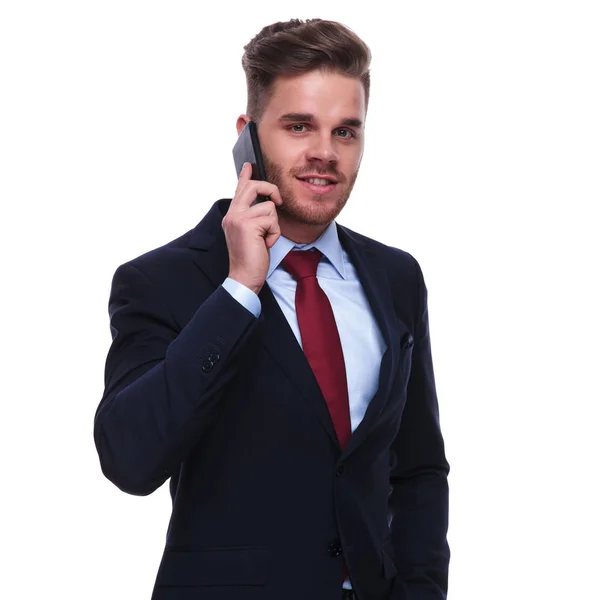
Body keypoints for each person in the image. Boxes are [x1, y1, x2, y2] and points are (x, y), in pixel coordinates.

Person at [94, 17, 450, 600]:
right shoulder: (163, 280)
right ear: (249, 136)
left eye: (345, 132)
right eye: (298, 126)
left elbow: (417, 468)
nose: (323, 153)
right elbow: (129, 459)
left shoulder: (396, 278)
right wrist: (238, 291)